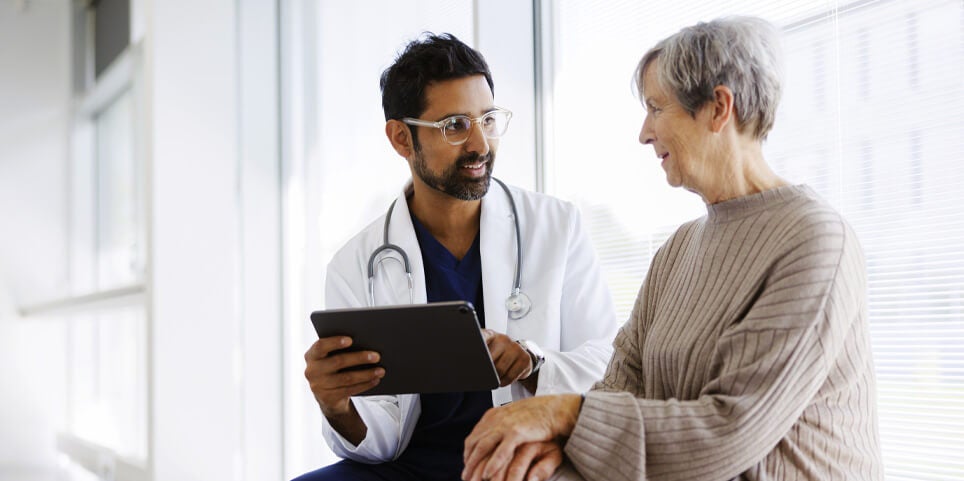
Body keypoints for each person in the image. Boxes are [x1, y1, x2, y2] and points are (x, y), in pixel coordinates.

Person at [461, 16, 883, 481]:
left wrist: (562, 415)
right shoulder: (678, 250)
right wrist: (548, 459)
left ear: (719, 108)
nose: (644, 132)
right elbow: (619, 393)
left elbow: (729, 430)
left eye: (657, 109)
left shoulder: (814, 242)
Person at [294, 33, 618, 481]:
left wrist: (533, 361)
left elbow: (610, 365)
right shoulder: (356, 265)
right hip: (410, 467)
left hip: (521, 458)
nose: (480, 144)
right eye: (454, 126)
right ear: (401, 138)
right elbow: (381, 440)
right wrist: (336, 404)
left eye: (487, 119)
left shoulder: (556, 227)